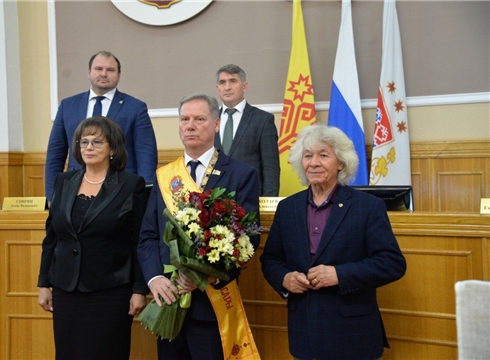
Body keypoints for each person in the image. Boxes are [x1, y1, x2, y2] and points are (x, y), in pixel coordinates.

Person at [260, 124, 406, 360]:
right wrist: (284, 278)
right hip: (303, 335)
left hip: (353, 336)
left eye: (323, 155)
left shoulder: (367, 207)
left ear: (341, 163)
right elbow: (271, 259)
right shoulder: (287, 208)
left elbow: (392, 263)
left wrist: (339, 275)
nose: (313, 162)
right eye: (308, 156)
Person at [138, 93, 260, 360]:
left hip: (212, 306)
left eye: (199, 119)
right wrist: (155, 278)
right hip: (168, 300)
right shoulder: (164, 176)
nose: (190, 125)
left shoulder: (241, 174)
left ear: (216, 124)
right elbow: (148, 236)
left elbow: (249, 238)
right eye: (184, 119)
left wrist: (206, 275)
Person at [37, 116, 148, 360]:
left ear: (113, 148)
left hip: (110, 290)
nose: (88, 147)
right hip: (66, 290)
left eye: (97, 142)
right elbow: (52, 236)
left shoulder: (131, 185)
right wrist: (44, 283)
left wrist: (140, 289)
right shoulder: (63, 181)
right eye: (83, 141)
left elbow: (140, 240)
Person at [44, 50, 157, 201]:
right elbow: (55, 155)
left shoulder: (135, 108)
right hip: (75, 190)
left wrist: (144, 196)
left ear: (119, 75)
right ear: (89, 72)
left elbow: (146, 156)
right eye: (98, 69)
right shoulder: (68, 106)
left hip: (121, 191)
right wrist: (52, 197)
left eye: (110, 70)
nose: (104, 74)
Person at [214, 64, 280, 196]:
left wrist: (267, 206)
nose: (227, 87)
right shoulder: (210, 119)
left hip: (250, 200)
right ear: (217, 88)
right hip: (214, 201)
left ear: (244, 86)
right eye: (222, 82)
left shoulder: (263, 120)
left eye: (233, 81)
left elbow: (270, 169)